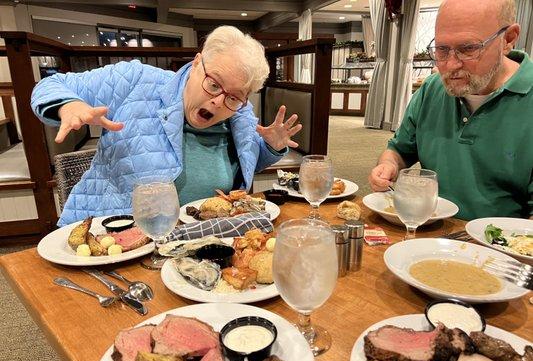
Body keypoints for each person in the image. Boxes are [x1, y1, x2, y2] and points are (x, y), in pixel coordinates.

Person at [31, 26, 302, 226]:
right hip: (110, 233)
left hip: (199, 237)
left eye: (233, 97)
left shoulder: (240, 114)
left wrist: (269, 147)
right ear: (197, 63)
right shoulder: (136, 80)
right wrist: (69, 105)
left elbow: (243, 166)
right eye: (213, 84)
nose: (218, 102)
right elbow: (50, 85)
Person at [368, 0, 533, 220]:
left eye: (468, 49)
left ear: (508, 39)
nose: (451, 65)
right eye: (442, 50)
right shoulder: (431, 89)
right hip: (429, 231)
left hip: (498, 248)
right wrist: (388, 164)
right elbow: (399, 151)